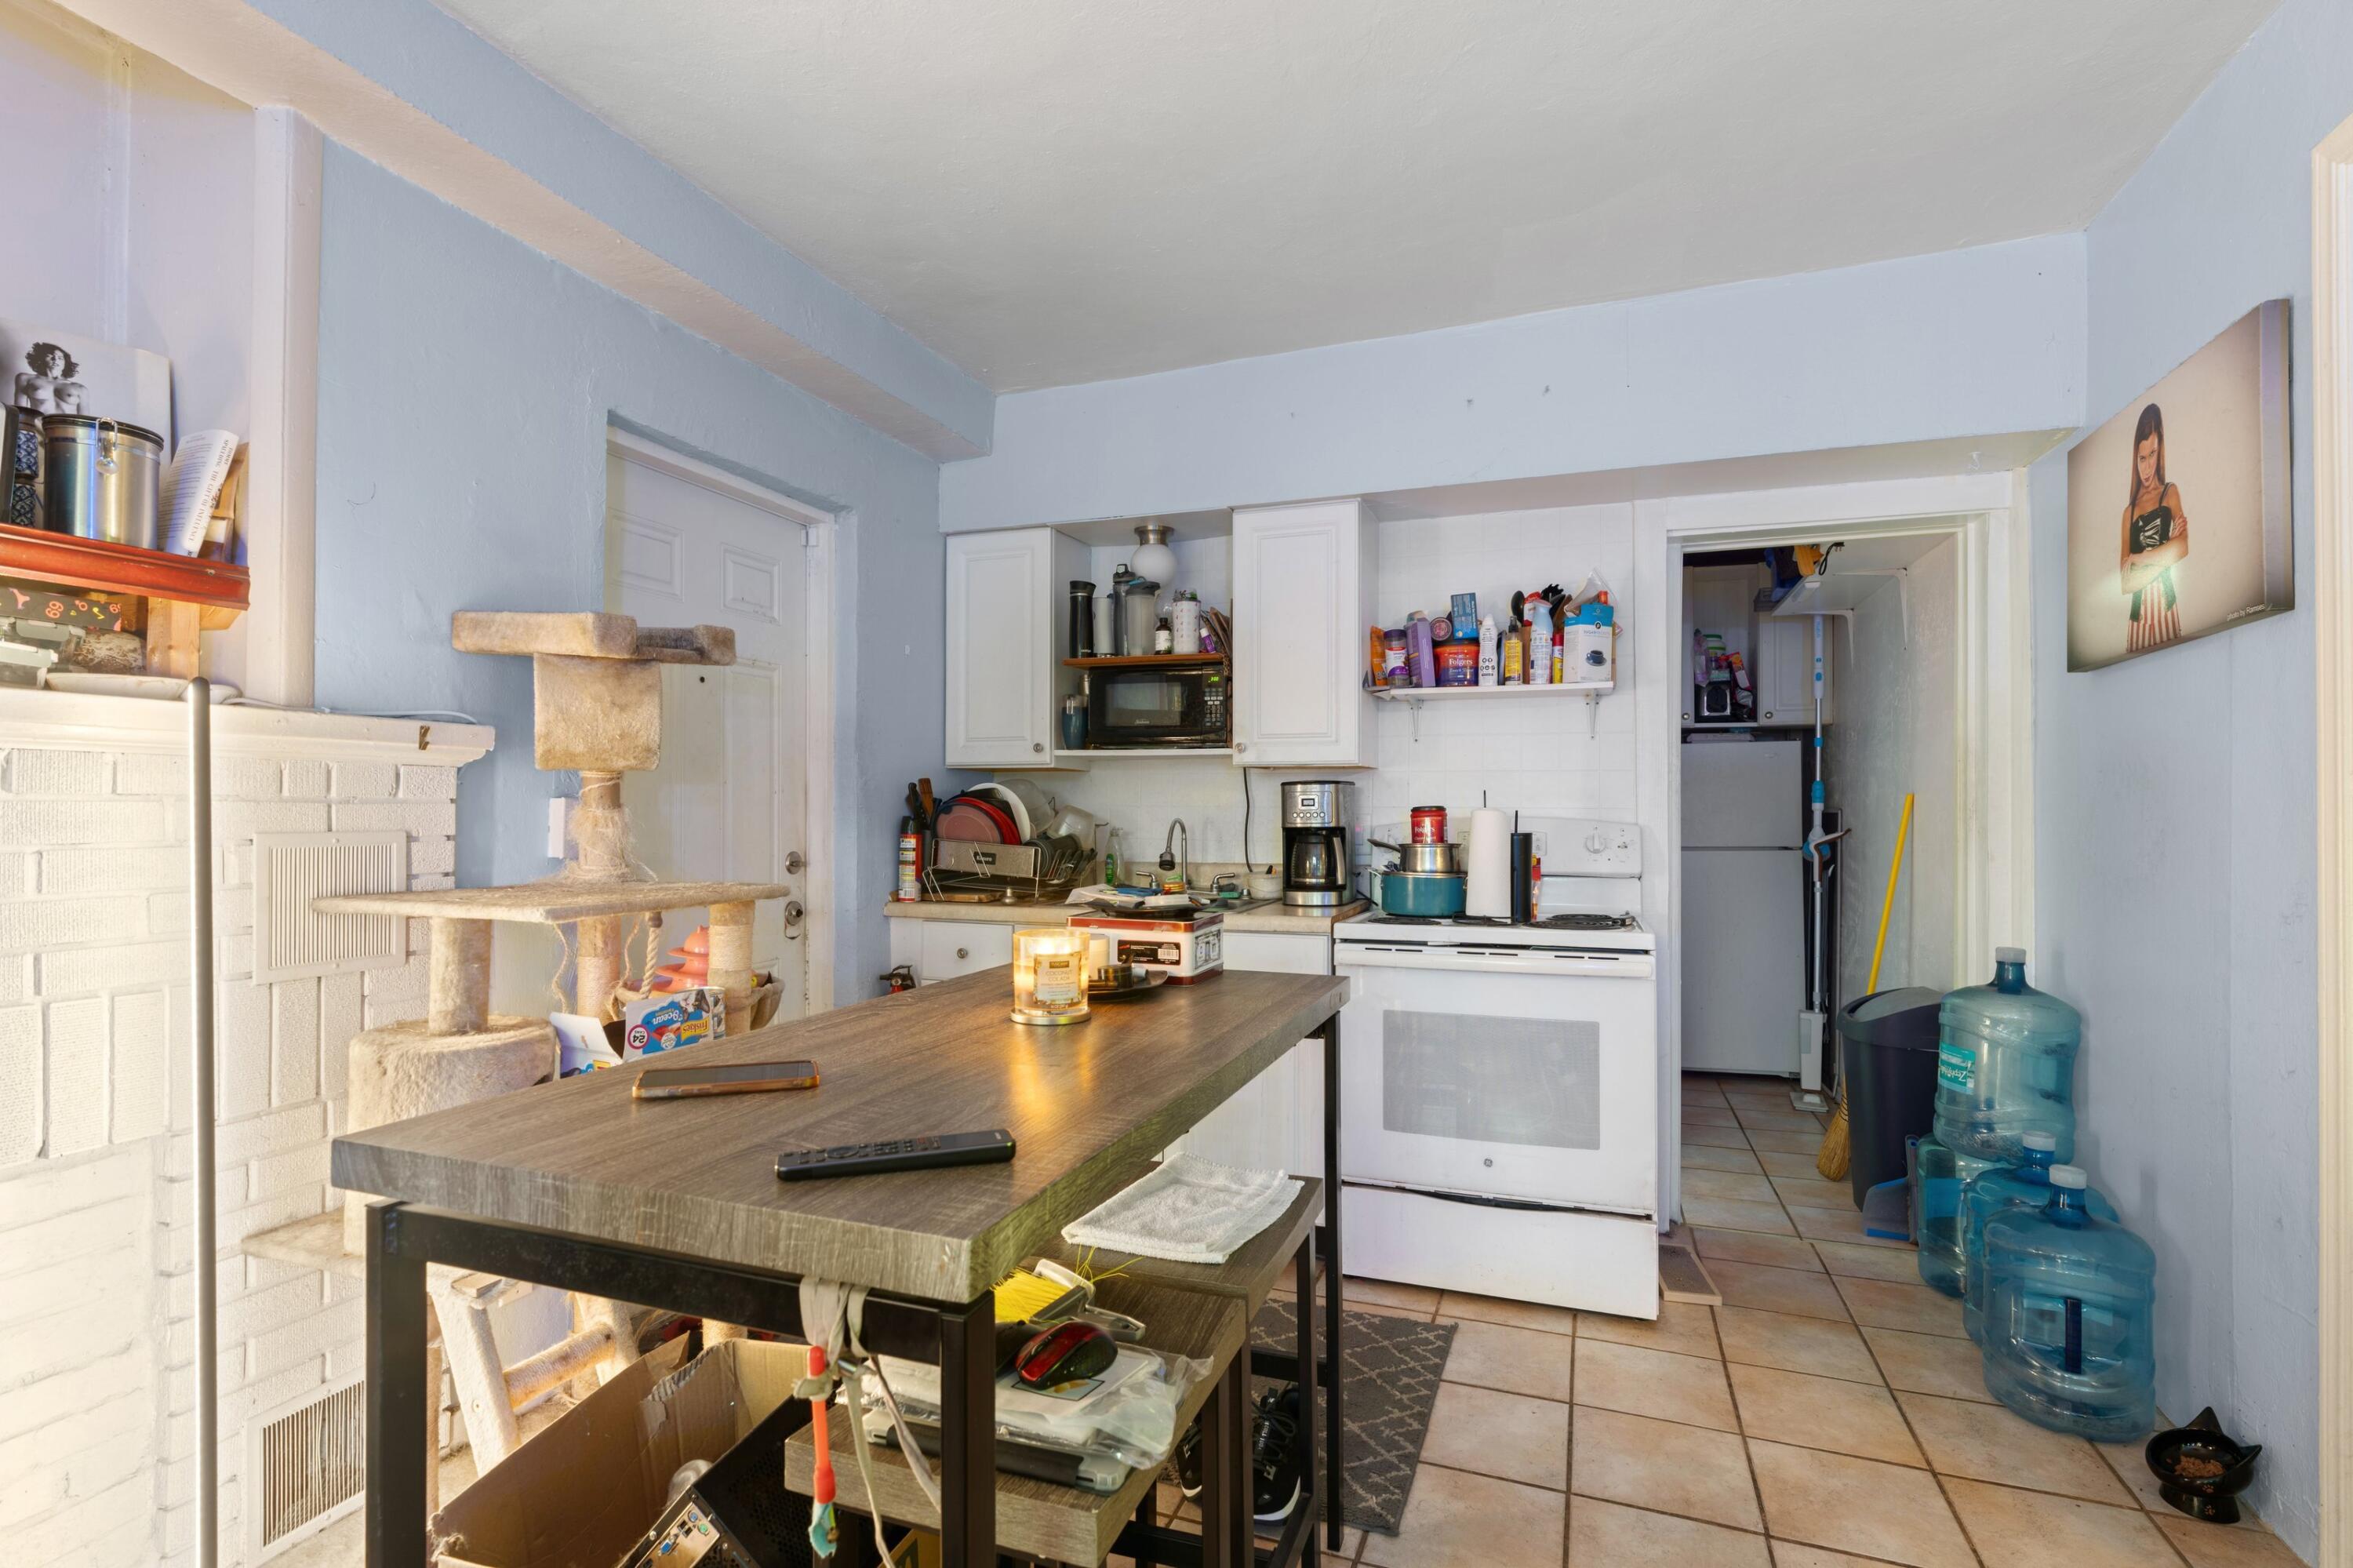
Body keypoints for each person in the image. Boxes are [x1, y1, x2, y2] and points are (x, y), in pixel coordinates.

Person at [2118, 402, 2188, 653]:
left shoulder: (2171, 493)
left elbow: (2182, 547)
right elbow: (2126, 584)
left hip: (2168, 611)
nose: (2147, 467)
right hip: (2137, 620)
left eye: (2152, 455)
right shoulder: (2129, 513)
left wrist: (2141, 558)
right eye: (2141, 458)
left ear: (2160, 452)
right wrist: (2165, 553)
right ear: (2135, 458)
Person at [13, 342, 85, 416]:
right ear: (41, 359)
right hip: (37, 426)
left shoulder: (80, 388)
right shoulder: (25, 379)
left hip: (67, 426)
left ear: (65, 363)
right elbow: (20, 412)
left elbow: (86, 423)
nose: (55, 359)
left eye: (60, 358)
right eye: (50, 356)